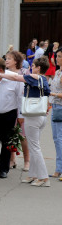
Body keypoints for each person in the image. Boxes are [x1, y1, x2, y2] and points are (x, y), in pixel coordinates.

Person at [0, 56, 51, 187]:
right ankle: (33, 175)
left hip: (33, 116)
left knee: (35, 148)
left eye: (33, 66)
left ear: (38, 68)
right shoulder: (44, 79)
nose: (30, 68)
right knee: (34, 146)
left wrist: (0, 74)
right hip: (40, 115)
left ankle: (43, 177)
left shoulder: (34, 77)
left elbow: (16, 77)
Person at [0, 57, 24, 178]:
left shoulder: (14, 77)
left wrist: (20, 115)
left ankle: (4, 169)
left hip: (9, 114)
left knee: (6, 143)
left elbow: (20, 98)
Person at [5, 51, 30, 171]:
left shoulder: (23, 73)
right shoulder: (4, 74)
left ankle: (27, 161)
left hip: (20, 109)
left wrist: (21, 113)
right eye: (6, 58)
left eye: (9, 58)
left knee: (22, 136)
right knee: (10, 135)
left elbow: (22, 96)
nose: (6, 60)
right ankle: (12, 159)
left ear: (16, 61)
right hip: (8, 109)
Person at [48, 48, 62, 178]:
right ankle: (58, 168)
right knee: (57, 138)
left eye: (59, 56)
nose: (56, 58)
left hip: (60, 107)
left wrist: (52, 94)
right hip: (55, 106)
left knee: (59, 139)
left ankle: (59, 169)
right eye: (57, 56)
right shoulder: (57, 72)